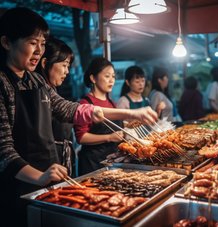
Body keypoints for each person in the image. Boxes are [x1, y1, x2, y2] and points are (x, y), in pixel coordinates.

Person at [0, 8, 157, 227]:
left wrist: (129, 112)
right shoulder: (3, 84)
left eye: (42, 43)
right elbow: (3, 151)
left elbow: (67, 108)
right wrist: (39, 177)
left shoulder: (35, 81)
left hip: (49, 181)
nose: (39, 51)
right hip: (20, 185)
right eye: (32, 42)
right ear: (7, 42)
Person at [74, 58, 124, 176]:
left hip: (112, 162)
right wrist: (109, 137)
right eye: (107, 76)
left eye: (113, 76)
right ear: (93, 78)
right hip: (92, 163)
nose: (111, 80)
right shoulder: (84, 104)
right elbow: (81, 137)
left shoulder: (112, 103)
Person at [35, 36, 76, 177]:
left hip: (58, 164)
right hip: (43, 167)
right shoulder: (36, 91)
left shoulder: (51, 90)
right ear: (45, 63)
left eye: (68, 66)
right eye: (64, 65)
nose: (67, 71)